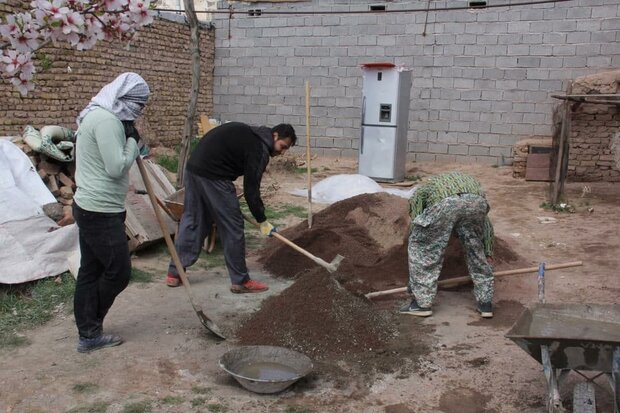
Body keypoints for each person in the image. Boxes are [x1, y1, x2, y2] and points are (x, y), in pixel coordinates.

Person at [166, 121, 297, 293]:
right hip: (214, 176)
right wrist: (262, 220)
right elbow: (251, 189)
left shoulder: (251, 133)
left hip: (194, 169)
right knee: (233, 226)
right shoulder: (259, 148)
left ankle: (174, 273)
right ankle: (240, 281)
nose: (282, 152)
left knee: (193, 219)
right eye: (283, 146)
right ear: (275, 136)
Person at [72, 72, 149, 352]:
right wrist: (132, 142)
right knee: (118, 271)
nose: (139, 111)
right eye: (138, 104)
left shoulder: (102, 116)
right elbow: (116, 167)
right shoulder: (106, 121)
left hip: (95, 207)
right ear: (123, 98)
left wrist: (128, 136)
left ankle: (88, 331)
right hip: (99, 211)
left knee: (90, 270)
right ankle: (90, 328)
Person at [400, 171, 495, 318]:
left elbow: (418, 218)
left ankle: (421, 304)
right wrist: (488, 251)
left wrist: (419, 234)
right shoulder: (466, 181)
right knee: (476, 249)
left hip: (446, 203)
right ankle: (486, 304)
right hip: (478, 202)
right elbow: (486, 224)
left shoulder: (423, 190)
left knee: (424, 248)